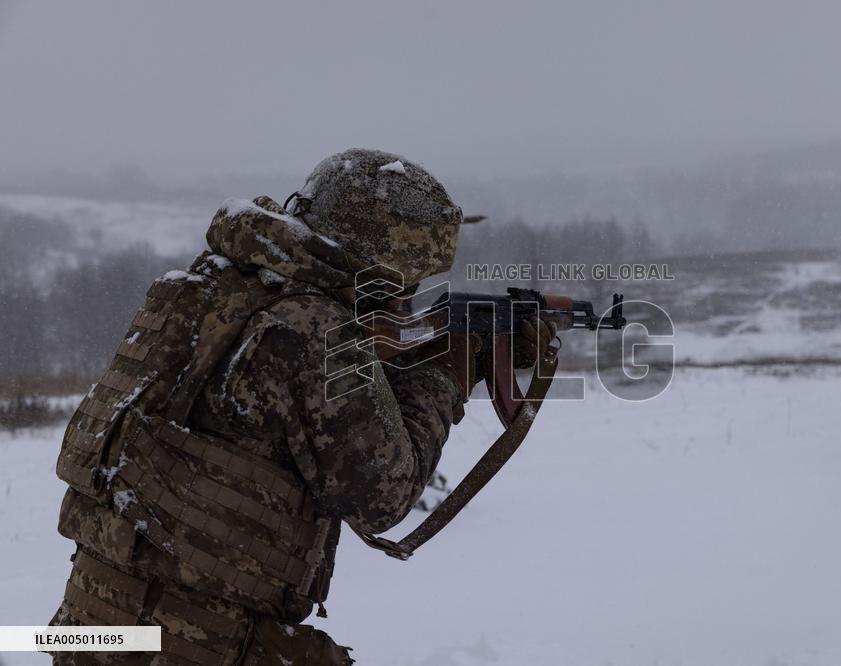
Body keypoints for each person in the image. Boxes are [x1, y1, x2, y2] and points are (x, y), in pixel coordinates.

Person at [48, 148, 556, 664]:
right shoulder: (313, 328)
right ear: (382, 258)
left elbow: (276, 414)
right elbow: (383, 495)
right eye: (408, 282)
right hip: (190, 642)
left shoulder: (205, 290)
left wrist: (419, 357)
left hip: (95, 623)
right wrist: (445, 374)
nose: (407, 298)